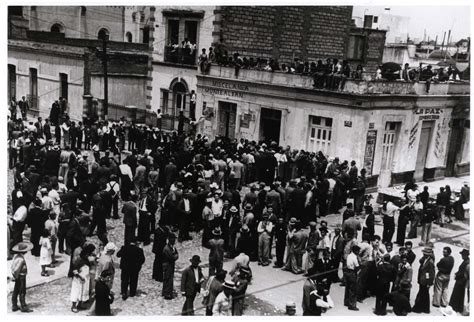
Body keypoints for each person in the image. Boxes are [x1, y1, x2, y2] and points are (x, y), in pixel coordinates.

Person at [10, 241, 34, 313]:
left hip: (18, 277)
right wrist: (16, 276)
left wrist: (14, 275)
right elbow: (17, 268)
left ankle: (14, 305)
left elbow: (13, 267)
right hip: (21, 277)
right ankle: (23, 306)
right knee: (22, 291)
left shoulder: (16, 257)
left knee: (16, 290)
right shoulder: (21, 259)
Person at [412, 246, 435, 313]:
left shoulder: (430, 262)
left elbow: (431, 274)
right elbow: (420, 261)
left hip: (425, 281)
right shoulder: (425, 259)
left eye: (425, 254)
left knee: (423, 295)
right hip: (422, 280)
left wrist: (429, 283)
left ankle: (419, 308)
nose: (423, 254)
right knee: (424, 294)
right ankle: (425, 308)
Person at [449, 249, 470, 313]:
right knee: (460, 294)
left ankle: (454, 307)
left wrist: (457, 275)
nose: (461, 256)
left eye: (462, 255)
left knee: (457, 294)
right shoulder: (466, 261)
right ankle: (459, 307)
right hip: (462, 280)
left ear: (465, 255)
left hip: (461, 281)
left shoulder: (467, 263)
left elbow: (463, 273)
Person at [162, 233, 179, 300]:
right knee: (168, 279)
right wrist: (176, 255)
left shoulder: (172, 247)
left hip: (170, 265)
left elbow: (176, 253)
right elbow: (172, 257)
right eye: (173, 239)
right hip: (168, 265)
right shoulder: (167, 248)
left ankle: (167, 292)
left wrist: (176, 255)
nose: (174, 241)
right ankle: (167, 294)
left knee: (169, 279)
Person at [344, 245, 360, 311]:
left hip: (347, 272)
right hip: (352, 273)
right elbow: (357, 266)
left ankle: (346, 302)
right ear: (356, 251)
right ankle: (352, 305)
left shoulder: (349, 255)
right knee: (353, 290)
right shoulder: (354, 257)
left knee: (347, 288)